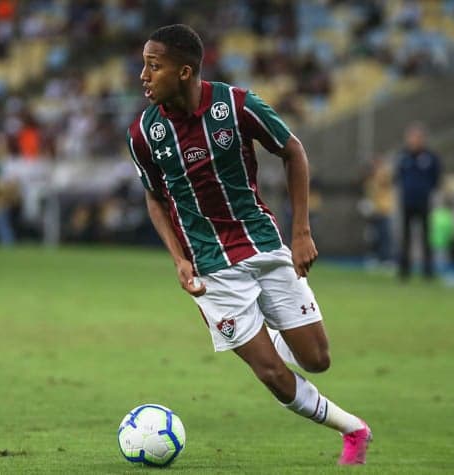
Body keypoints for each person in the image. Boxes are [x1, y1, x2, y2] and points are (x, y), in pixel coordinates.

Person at [126, 24, 371, 465]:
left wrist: (301, 232)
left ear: (184, 71)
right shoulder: (145, 133)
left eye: (153, 65)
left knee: (317, 359)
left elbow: (292, 150)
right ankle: (353, 429)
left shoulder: (237, 106)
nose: (143, 75)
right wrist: (179, 259)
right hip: (211, 269)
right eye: (143, 64)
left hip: (264, 246)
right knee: (273, 374)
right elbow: (154, 198)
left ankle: (265, 332)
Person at [394, 122, 441, 280]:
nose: (413, 141)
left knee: (426, 237)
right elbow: (398, 177)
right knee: (405, 237)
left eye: (417, 137)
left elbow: (436, 178)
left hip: (423, 202)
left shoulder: (430, 157)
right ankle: (404, 270)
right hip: (407, 201)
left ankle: (428, 270)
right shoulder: (403, 156)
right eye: (411, 137)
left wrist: (425, 190)